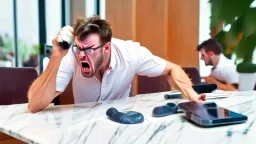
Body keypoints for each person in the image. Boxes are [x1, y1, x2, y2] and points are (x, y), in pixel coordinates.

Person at [27, 15, 206, 113]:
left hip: (122, 126)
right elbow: (34, 105)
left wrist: (192, 95)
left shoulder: (131, 53)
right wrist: (57, 56)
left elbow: (172, 68)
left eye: (89, 50)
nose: (82, 55)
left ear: (106, 49)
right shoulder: (71, 55)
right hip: (84, 130)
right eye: (79, 48)